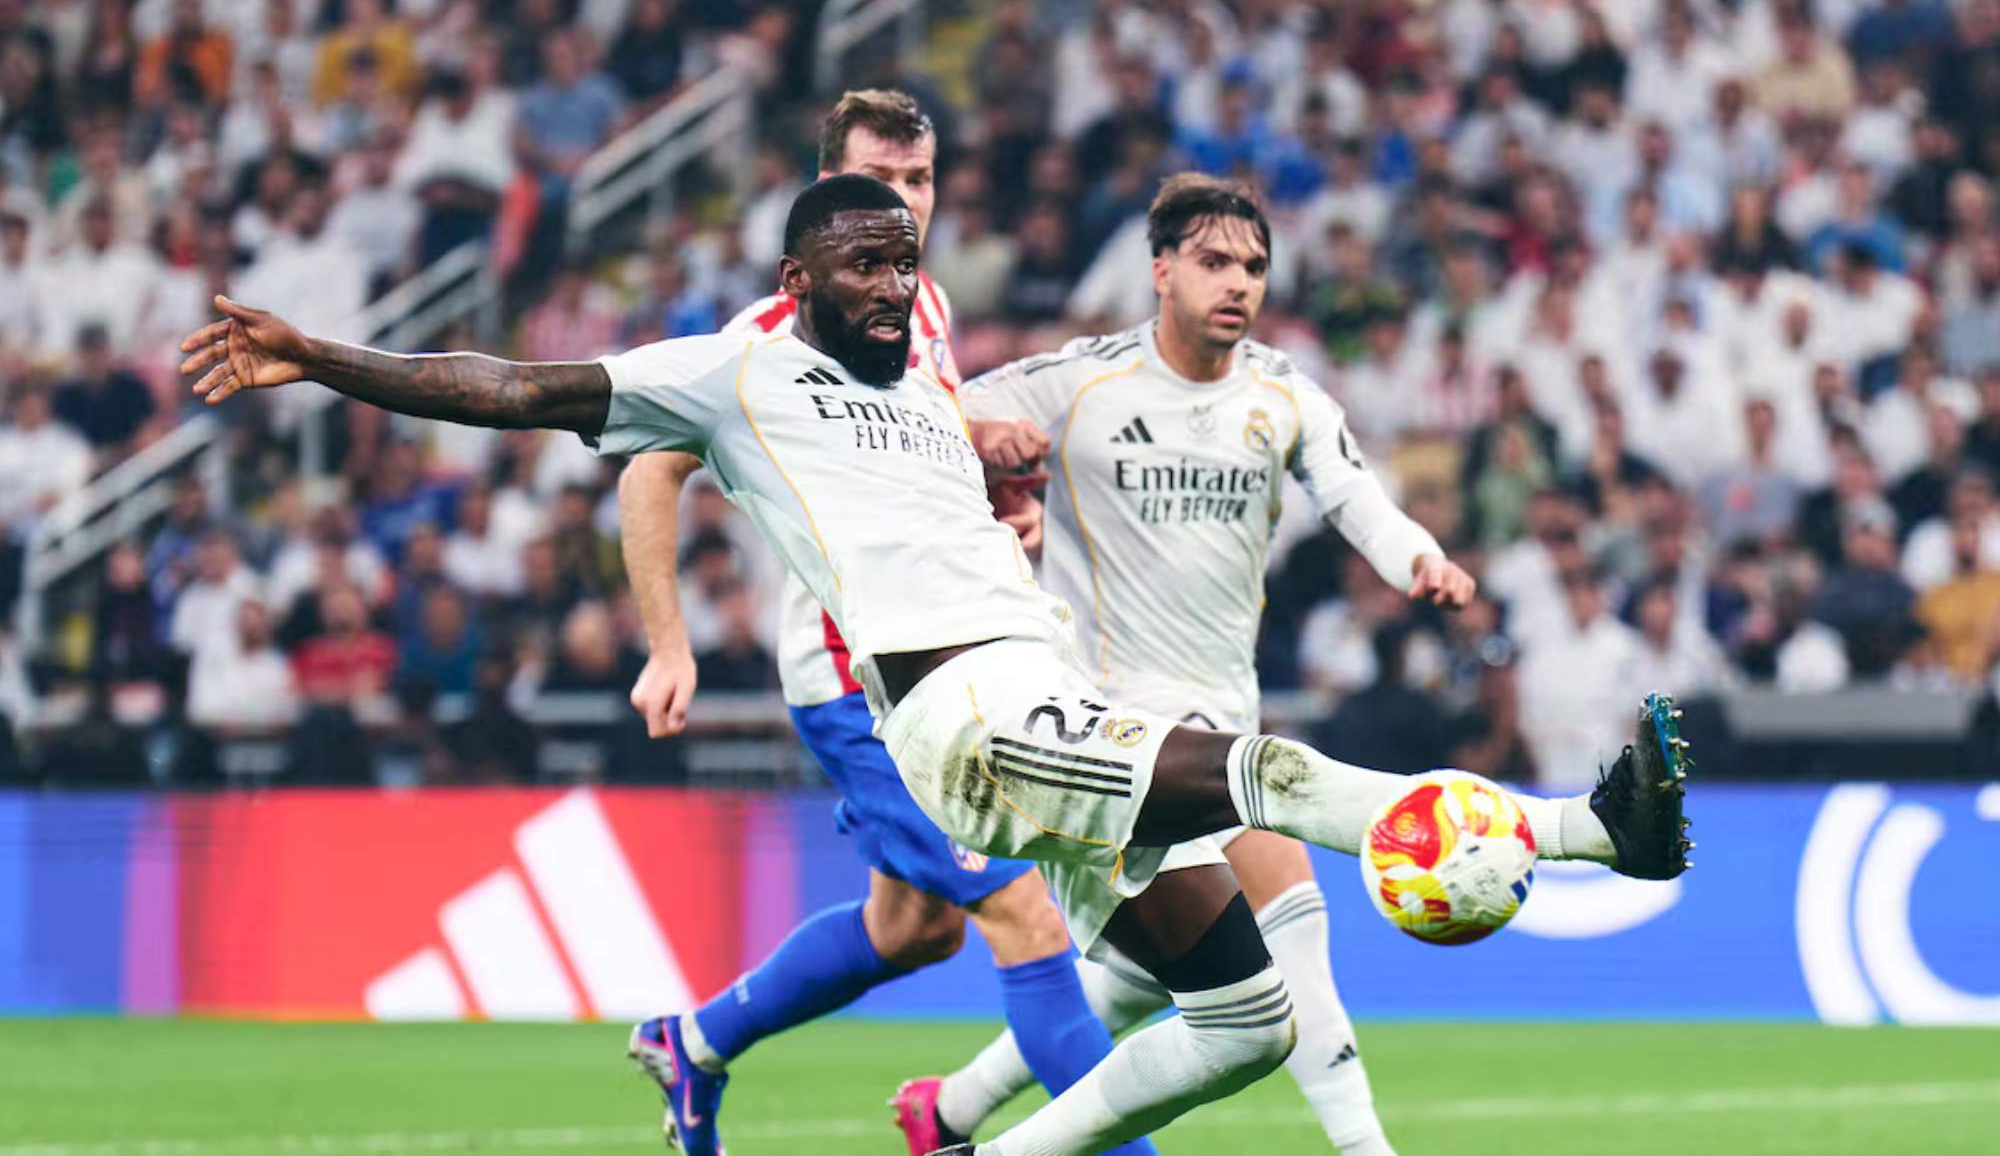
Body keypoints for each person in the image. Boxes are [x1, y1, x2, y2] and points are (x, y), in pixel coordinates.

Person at [179, 173, 1692, 1156]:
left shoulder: (935, 383)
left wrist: (1005, 472)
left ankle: (982, 1148)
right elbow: (510, 384)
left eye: (904, 258)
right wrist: (321, 356)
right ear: (799, 271)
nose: (892, 281)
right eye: (861, 261)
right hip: (960, 711)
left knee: (1242, 1022)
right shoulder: (735, 369)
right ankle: (1587, 830)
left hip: (1039, 698)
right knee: (1257, 776)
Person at [613, 88, 1143, 1156]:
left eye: (919, 183)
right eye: (882, 184)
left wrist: (995, 484)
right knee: (1026, 923)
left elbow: (918, 449)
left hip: (939, 661)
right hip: (857, 677)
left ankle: (695, 1041)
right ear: (826, 195)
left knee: (915, 929)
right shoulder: (766, 340)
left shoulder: (921, 306)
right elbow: (648, 468)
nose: (904, 205)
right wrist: (668, 643)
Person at [924, 175, 1462, 1156]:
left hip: (1217, 724)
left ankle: (955, 1110)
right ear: (1160, 270)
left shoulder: (1279, 393)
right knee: (1288, 915)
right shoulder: (1083, 379)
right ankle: (1365, 1150)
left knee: (1164, 968)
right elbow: (939, 411)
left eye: (1254, 267)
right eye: (1215, 262)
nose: (1239, 284)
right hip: (1105, 735)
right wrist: (981, 435)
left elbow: (1353, 494)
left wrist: (1414, 557)